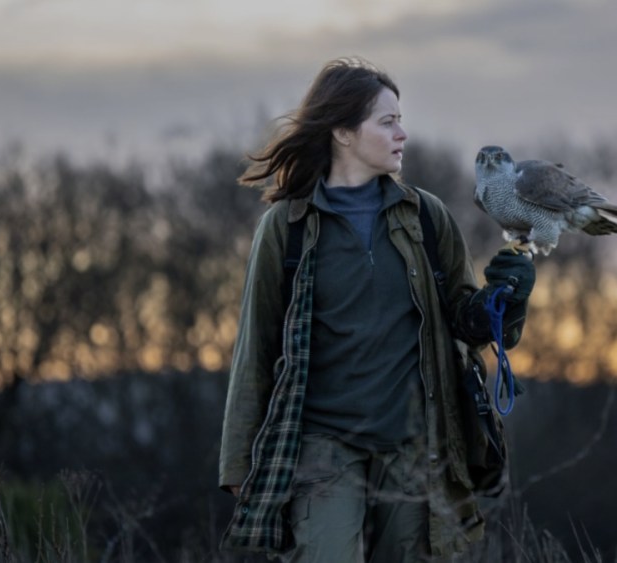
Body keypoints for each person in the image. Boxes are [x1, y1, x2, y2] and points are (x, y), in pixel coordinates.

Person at [218, 56, 535, 562]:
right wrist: (238, 465)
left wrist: (505, 299)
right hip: (321, 444)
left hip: (414, 442)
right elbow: (255, 346)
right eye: (387, 122)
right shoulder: (287, 227)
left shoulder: (427, 217)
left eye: (400, 120)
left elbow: (465, 319)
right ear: (343, 131)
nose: (402, 134)